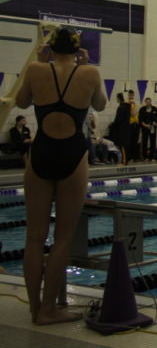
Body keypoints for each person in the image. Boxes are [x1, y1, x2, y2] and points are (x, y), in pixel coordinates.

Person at [15, 26, 106, 325]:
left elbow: (22, 103)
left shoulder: (36, 70)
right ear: (78, 49)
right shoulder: (90, 72)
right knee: (62, 239)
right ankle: (49, 310)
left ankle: (34, 308)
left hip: (40, 152)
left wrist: (42, 61)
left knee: (33, 238)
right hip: (72, 154)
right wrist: (84, 66)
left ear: (51, 48)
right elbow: (100, 104)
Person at [111, 93, 132, 164]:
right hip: (126, 128)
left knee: (122, 145)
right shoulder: (127, 106)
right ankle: (125, 160)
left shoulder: (122, 107)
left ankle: (124, 161)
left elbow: (118, 119)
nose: (116, 100)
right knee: (125, 145)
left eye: (117, 98)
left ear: (119, 98)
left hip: (122, 129)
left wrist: (113, 125)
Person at [126, 89, 139, 162]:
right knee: (130, 141)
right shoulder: (127, 103)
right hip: (130, 124)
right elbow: (133, 113)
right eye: (130, 95)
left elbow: (136, 113)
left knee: (135, 141)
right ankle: (129, 156)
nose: (131, 96)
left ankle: (133, 157)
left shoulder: (134, 104)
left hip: (136, 123)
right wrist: (131, 105)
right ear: (128, 95)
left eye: (132, 95)